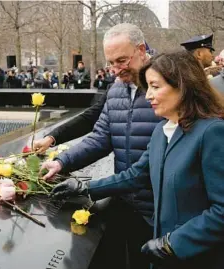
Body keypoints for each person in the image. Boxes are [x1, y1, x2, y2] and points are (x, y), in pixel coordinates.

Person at [50, 51, 224, 269]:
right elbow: (137, 175)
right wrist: (85, 188)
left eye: (155, 86)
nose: (148, 95)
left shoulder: (212, 132)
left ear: (183, 85)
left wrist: (173, 244)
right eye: (147, 87)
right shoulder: (162, 130)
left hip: (197, 258)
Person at [40, 23, 162, 269]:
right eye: (111, 63)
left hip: (160, 207)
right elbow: (100, 138)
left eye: (122, 61)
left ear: (141, 49)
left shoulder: (166, 86)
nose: (116, 70)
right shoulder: (116, 89)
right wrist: (62, 161)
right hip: (125, 200)